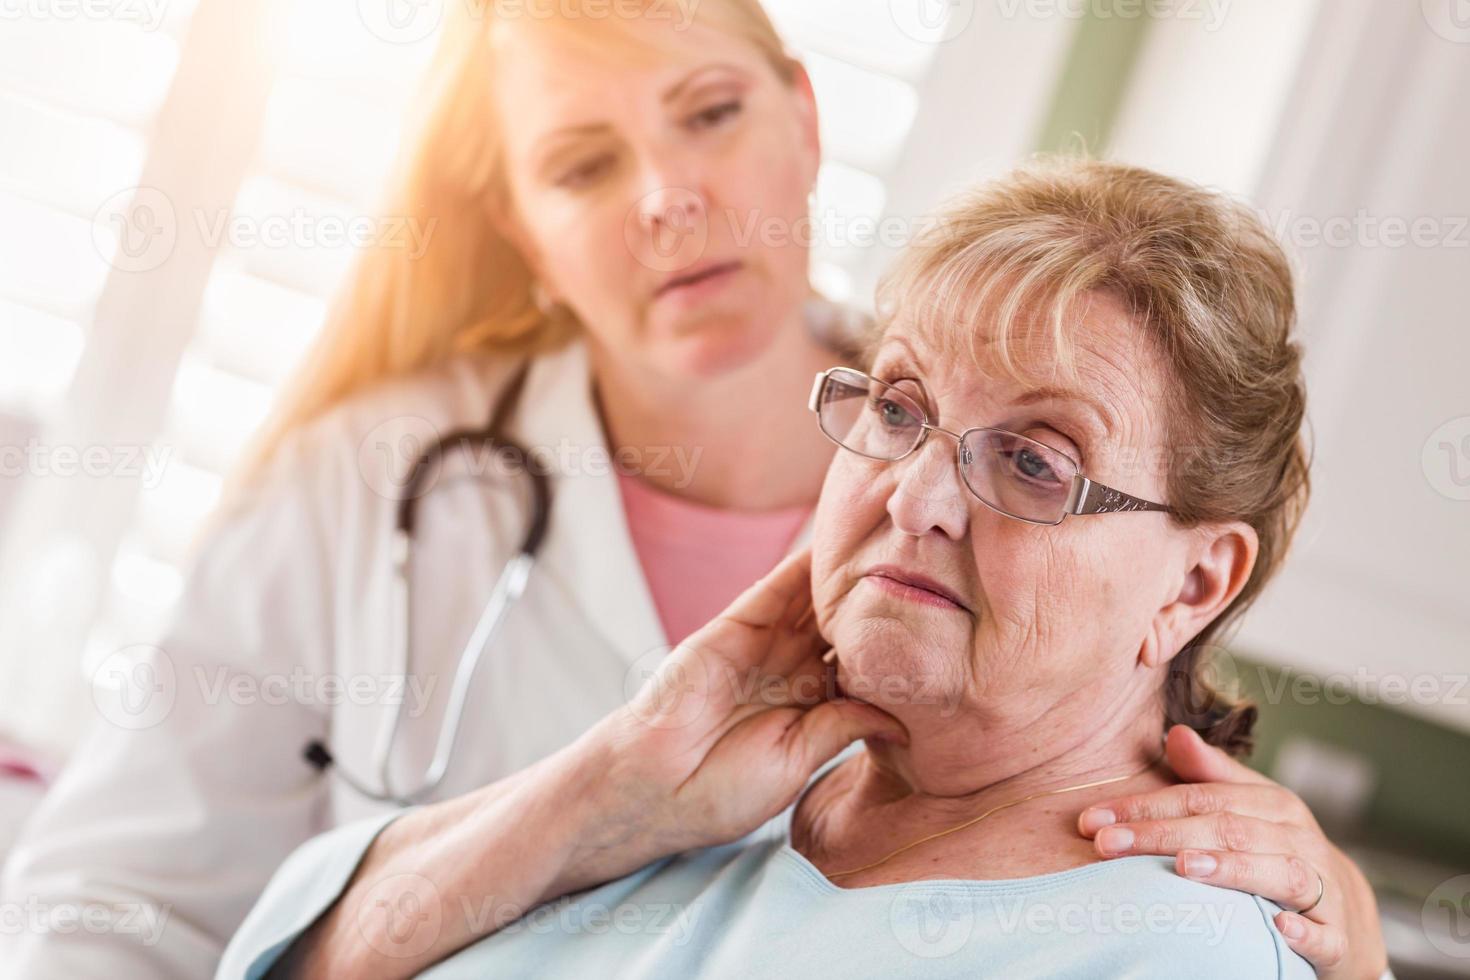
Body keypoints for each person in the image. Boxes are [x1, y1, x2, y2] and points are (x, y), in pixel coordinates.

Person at [1, 4, 1382, 978]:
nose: (664, 197)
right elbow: (131, 911)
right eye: (580, 162)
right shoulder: (377, 487)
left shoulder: (1132, 897)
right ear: (522, 232)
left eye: (706, 113)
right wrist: (604, 787)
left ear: (802, 122)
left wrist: (1343, 940)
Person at [221, 157, 1349, 979]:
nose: (914, 496)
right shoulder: (715, 786)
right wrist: (603, 784)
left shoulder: (1167, 950)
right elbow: (294, 960)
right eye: (900, 407)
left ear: (1194, 584)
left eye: (1034, 462)